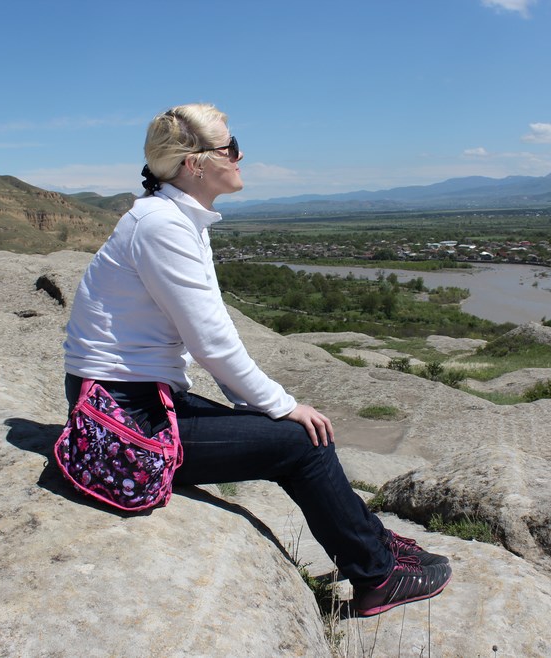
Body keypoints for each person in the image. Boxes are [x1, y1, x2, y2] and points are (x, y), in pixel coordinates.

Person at [62, 103, 451, 617]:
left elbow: (210, 334)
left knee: (287, 429)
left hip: (136, 400)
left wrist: (263, 406)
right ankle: (378, 575)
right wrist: (281, 405)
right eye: (231, 147)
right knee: (302, 441)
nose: (241, 156)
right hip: (122, 417)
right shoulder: (163, 227)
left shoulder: (174, 219)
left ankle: (373, 542)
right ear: (194, 164)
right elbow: (211, 342)